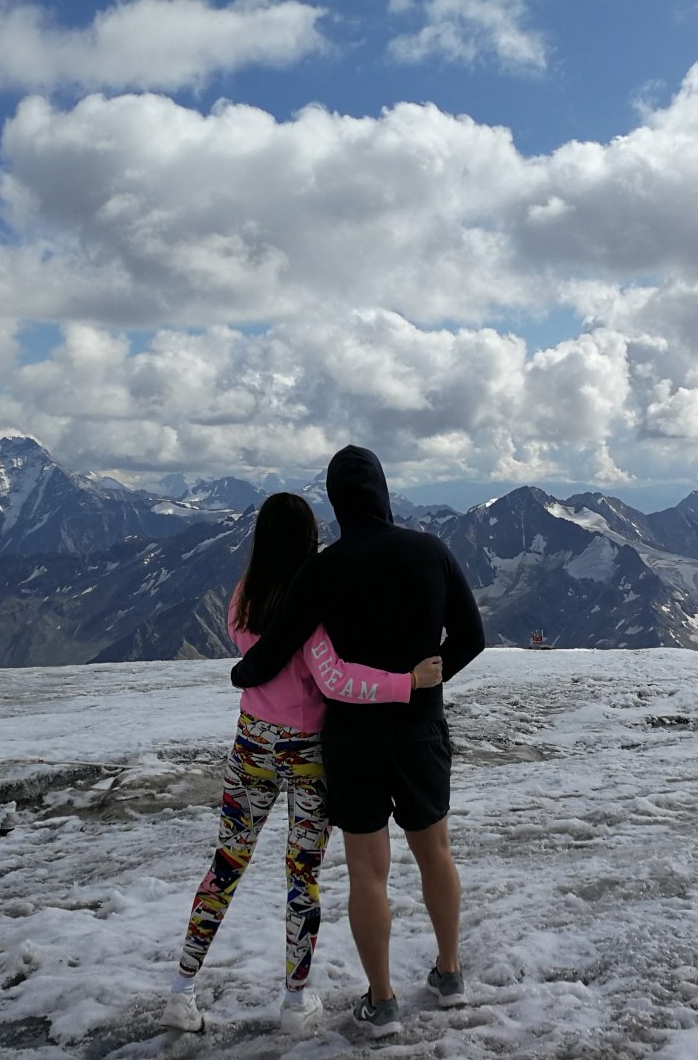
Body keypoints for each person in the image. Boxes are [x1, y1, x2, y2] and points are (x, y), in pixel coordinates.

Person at [163, 492, 443, 1037]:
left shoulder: (241, 597)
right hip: (308, 754)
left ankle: (182, 988)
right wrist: (408, 683)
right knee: (302, 875)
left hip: (251, 744)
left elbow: (252, 657)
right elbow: (335, 680)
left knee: (227, 863)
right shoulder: (309, 604)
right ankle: (295, 1000)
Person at [231, 445, 486, 1038]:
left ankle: (383, 999)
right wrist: (429, 676)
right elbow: (473, 636)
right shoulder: (430, 551)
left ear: (336, 501)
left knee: (368, 871)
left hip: (352, 739)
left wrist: (240, 675)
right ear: (384, 491)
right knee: (435, 852)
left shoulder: (322, 569)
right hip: (420, 728)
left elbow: (278, 646)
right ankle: (449, 974)